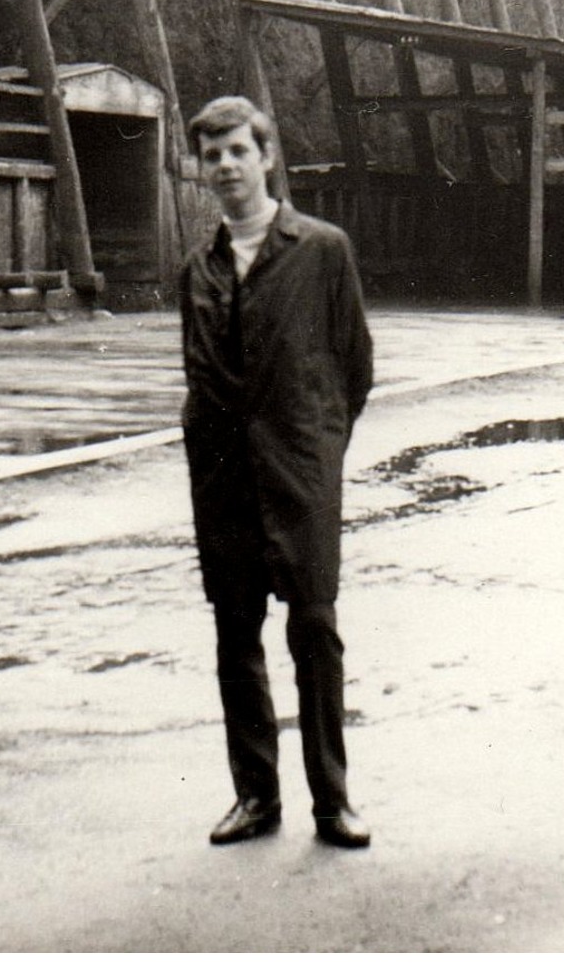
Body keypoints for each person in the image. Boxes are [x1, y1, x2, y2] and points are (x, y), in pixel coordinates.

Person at [178, 95, 374, 850]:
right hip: (223, 476)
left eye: (237, 151)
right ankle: (255, 796)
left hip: (299, 471)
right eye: (211, 156)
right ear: (202, 171)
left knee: (315, 629)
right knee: (235, 633)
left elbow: (353, 365)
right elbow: (198, 373)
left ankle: (333, 803)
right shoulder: (198, 268)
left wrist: (318, 448)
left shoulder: (322, 250)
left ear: (265, 157)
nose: (225, 166)